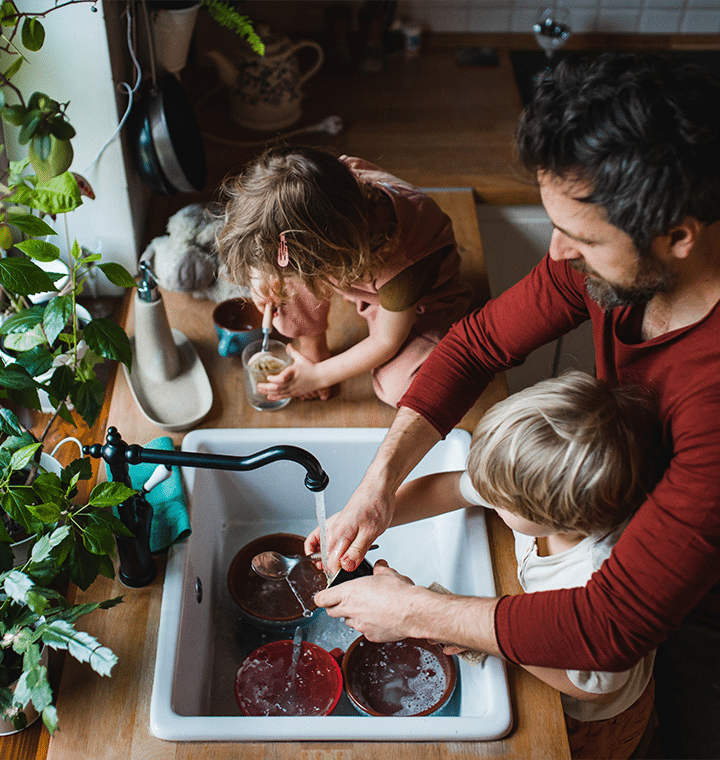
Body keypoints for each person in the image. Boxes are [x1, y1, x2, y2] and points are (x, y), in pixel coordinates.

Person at [308, 52, 720, 759]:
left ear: (678, 236)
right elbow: (473, 348)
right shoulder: (607, 273)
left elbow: (610, 628)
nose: (557, 252)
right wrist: (378, 487)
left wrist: (414, 611)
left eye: (582, 237)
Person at [339, 372, 663, 758]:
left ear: (562, 522)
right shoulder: (537, 485)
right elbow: (451, 488)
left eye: (498, 501)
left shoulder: (595, 574)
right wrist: (374, 517)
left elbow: (591, 684)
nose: (484, 493)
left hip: (584, 716)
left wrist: (470, 632)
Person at [217, 146, 472, 406]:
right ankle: (313, 345)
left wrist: (318, 376)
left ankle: (319, 360)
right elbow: (276, 228)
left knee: (404, 389)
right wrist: (260, 274)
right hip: (348, 265)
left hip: (420, 300)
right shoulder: (327, 183)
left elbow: (386, 341)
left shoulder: (406, 258)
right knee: (281, 281)